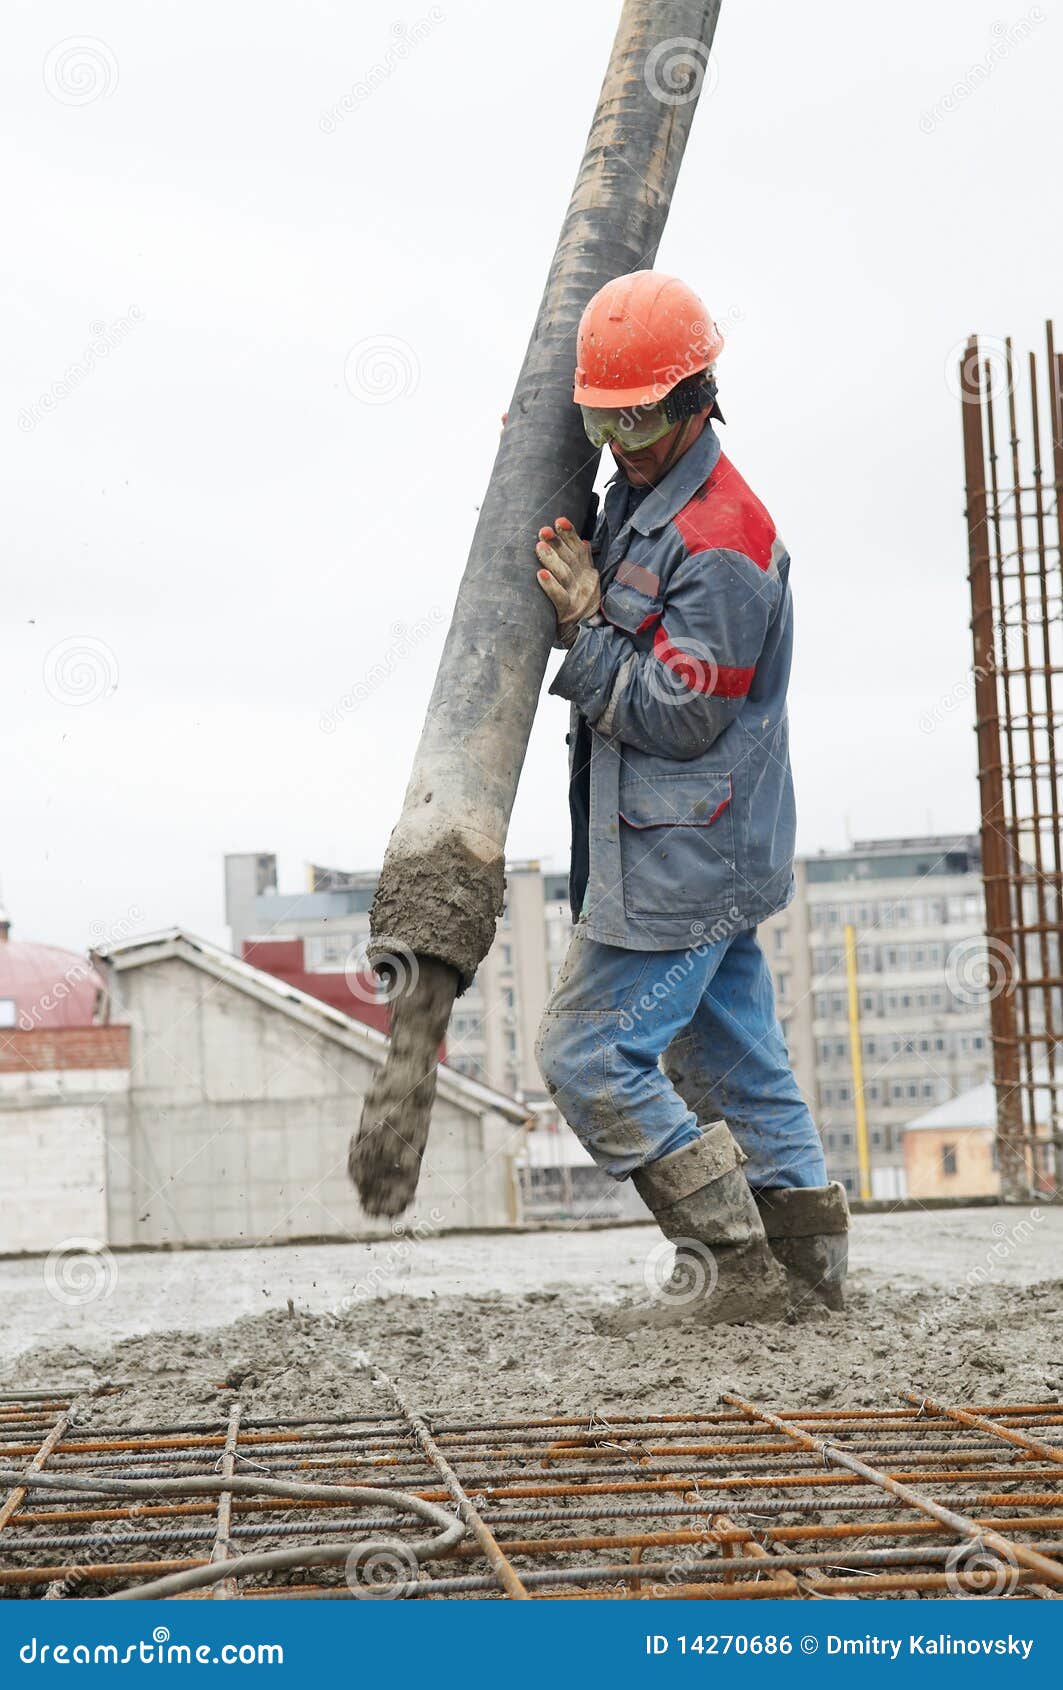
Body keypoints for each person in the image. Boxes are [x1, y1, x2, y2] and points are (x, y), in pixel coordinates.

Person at [533, 271, 848, 1325]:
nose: (619, 444)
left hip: (684, 856)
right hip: (697, 845)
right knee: (729, 1054)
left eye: (640, 419)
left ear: (698, 399)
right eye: (599, 419)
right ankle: (810, 1271)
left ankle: (734, 1272)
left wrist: (583, 629)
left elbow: (677, 715)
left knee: (586, 1054)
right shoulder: (642, 484)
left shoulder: (724, 539)